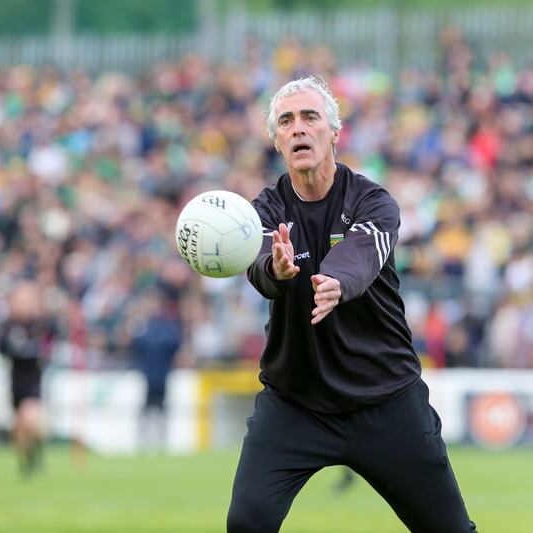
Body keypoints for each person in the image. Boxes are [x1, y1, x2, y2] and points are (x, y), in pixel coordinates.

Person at [226, 76, 476, 533]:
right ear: (277, 140)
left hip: (384, 400)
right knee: (246, 523)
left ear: (333, 133)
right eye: (286, 121)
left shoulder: (373, 201)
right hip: (295, 404)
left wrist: (336, 282)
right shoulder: (261, 211)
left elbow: (362, 255)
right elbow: (259, 264)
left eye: (309, 117)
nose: (298, 128)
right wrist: (275, 270)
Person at [0, 280, 55, 477]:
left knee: (31, 420)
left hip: (33, 381)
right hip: (15, 383)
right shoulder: (8, 326)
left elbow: (49, 346)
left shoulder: (41, 324)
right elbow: (2, 349)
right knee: (19, 430)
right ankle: (29, 459)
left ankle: (35, 453)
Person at [130, 292, 182, 453]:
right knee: (149, 409)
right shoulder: (146, 328)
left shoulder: (160, 328)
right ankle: (145, 441)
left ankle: (159, 442)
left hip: (159, 375)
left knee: (159, 409)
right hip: (151, 376)